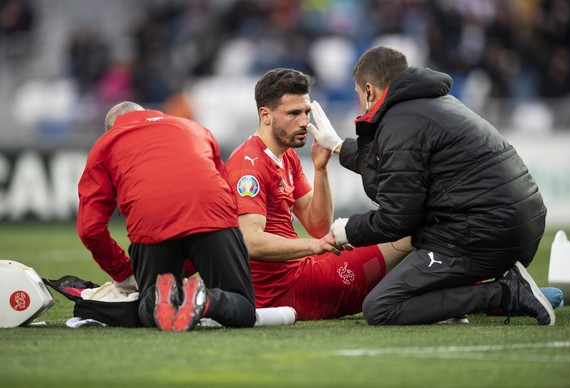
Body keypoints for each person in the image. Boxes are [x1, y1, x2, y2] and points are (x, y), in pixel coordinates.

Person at [312, 46, 554, 325]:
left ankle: (504, 292)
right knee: (420, 244)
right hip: (514, 225)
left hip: (485, 233)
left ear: (369, 90)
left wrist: (347, 230)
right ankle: (453, 301)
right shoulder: (433, 104)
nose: (358, 100)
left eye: (357, 93)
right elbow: (395, 167)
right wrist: (340, 147)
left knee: (380, 308)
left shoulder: (400, 121)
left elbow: (398, 218)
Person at [225, 68, 413, 321]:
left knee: (407, 234)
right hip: (286, 290)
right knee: (410, 227)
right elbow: (249, 241)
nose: (304, 122)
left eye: (306, 112)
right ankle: (475, 295)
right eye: (293, 113)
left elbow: (318, 225)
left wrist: (320, 168)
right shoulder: (249, 166)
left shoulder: (286, 154)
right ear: (265, 115)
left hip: (303, 275)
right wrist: (314, 246)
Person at [77, 101, 256, 331]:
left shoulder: (105, 144)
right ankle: (205, 299)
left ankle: (155, 297)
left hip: (152, 225)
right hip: (213, 214)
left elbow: (89, 229)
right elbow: (228, 193)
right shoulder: (195, 128)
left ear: (112, 127)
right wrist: (187, 270)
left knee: (148, 309)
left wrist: (124, 273)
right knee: (242, 309)